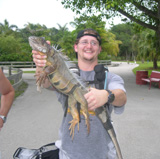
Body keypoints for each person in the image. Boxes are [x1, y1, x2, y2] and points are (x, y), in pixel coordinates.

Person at [32, 28, 127, 159]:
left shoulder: (110, 78)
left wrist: (106, 95)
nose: (89, 46)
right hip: (68, 154)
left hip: (103, 154)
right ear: (76, 47)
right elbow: (45, 83)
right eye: (84, 42)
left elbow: (121, 97)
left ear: (99, 49)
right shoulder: (64, 72)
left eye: (94, 43)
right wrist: (39, 64)